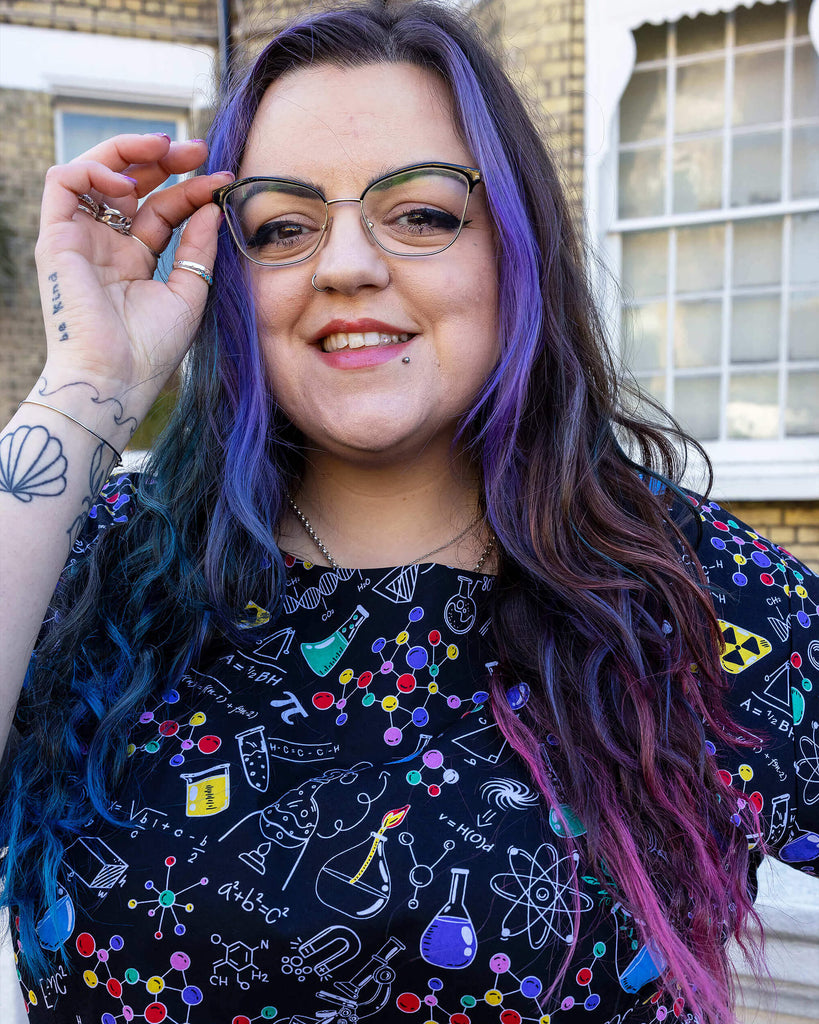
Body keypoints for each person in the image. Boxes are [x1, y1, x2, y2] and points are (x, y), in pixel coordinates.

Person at [0, 3, 816, 1022]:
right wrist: (87, 382)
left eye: (423, 212)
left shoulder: (694, 591)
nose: (345, 264)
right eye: (282, 226)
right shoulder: (88, 563)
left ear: (517, 248)